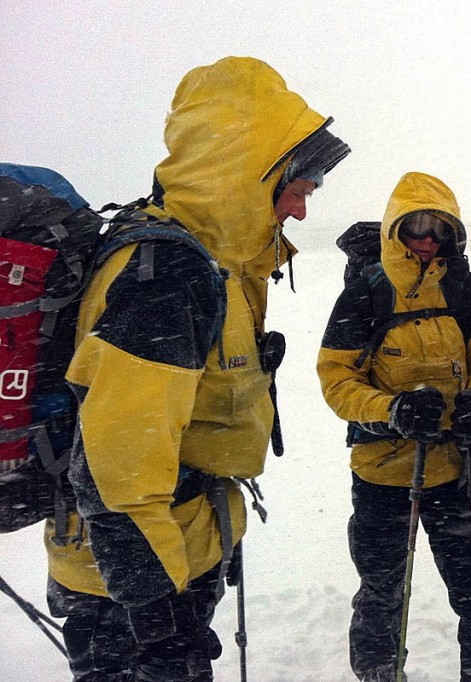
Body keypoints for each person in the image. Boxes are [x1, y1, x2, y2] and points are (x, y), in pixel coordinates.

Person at [44, 56, 350, 681]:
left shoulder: (215, 262)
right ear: (245, 172)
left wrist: (213, 535)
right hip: (127, 590)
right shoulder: (167, 274)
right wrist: (158, 620)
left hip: (172, 550)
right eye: (298, 188)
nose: (300, 210)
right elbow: (118, 464)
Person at [317, 171, 471, 682]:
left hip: (455, 473)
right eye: (416, 227)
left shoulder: (466, 289)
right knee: (382, 598)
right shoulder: (365, 293)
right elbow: (337, 380)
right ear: (394, 229)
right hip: (382, 477)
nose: (427, 240)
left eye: (439, 229)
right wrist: (393, 410)